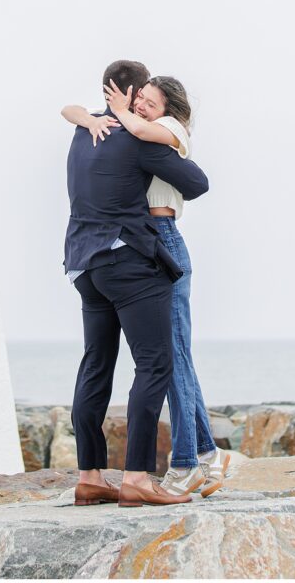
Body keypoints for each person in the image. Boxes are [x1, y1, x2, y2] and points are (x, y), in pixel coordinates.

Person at [64, 75, 230, 500]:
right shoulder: (115, 130)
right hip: (137, 244)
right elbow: (70, 110)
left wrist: (108, 113)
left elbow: (196, 182)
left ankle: (188, 461)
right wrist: (90, 115)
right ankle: (200, 456)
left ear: (167, 111)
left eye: (149, 103)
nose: (140, 108)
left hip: (151, 241)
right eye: (139, 100)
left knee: (166, 358)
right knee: (169, 357)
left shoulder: (163, 132)